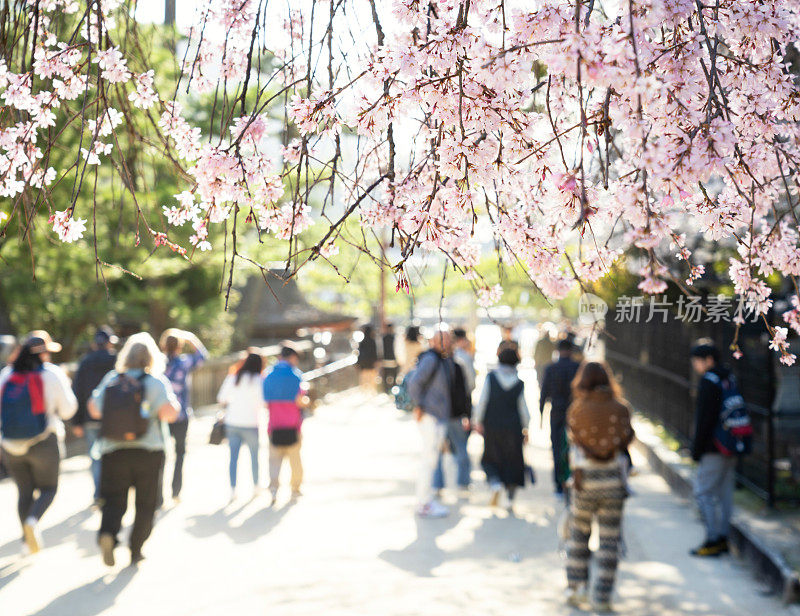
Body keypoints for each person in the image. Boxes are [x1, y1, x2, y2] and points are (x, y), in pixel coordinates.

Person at [89, 332, 179, 567]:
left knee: (113, 500)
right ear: (152, 357)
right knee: (146, 503)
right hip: (148, 452)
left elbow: (94, 409)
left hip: (113, 450)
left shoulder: (112, 379)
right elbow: (169, 414)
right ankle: (136, 549)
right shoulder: (155, 382)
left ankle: (108, 533)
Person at [565, 361, 634, 612]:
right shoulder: (621, 408)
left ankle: (577, 588)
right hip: (613, 481)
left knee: (579, 536)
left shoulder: (576, 409)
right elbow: (627, 438)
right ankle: (602, 596)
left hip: (585, 482)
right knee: (609, 542)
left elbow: (572, 440)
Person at [0, 332, 77, 554]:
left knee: (24, 492)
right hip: (44, 441)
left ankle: (26, 542)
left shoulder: (6, 374)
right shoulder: (51, 374)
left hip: (11, 444)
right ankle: (33, 521)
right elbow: (68, 409)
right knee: (49, 488)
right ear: (44, 353)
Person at [689, 339, 737, 557]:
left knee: (704, 492)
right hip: (731, 443)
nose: (695, 365)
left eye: (697, 361)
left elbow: (704, 420)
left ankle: (712, 539)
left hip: (713, 447)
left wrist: (696, 449)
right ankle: (723, 538)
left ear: (708, 360)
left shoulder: (709, 381)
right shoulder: (728, 378)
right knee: (724, 493)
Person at [406, 326, 457, 518]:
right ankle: (423, 502)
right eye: (443, 339)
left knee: (431, 459)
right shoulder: (430, 359)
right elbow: (415, 383)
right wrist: (419, 405)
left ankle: (425, 500)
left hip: (437, 416)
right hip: (430, 415)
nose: (448, 342)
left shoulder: (443, 360)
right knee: (428, 460)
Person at [473, 345, 530, 509]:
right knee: (513, 462)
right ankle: (511, 499)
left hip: (492, 424)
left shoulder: (491, 378)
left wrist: (478, 421)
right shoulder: (519, 383)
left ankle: (495, 483)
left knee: (491, 457)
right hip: (513, 427)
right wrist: (526, 428)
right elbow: (523, 408)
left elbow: (482, 401)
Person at [71, 326, 118, 504]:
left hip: (89, 419)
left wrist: (76, 421)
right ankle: (111, 493)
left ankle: (99, 493)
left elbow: (77, 392)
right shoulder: (116, 360)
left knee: (95, 457)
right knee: (112, 455)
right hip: (113, 419)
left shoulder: (85, 362)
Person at [160, 328, 208, 502]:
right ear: (179, 347)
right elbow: (203, 357)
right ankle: (175, 492)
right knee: (179, 454)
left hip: (162, 416)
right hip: (181, 415)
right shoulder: (184, 362)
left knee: (160, 456)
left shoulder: (158, 363)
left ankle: (158, 496)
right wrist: (191, 338)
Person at [263, 344, 308, 505]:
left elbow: (265, 401)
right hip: (293, 425)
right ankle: (295, 488)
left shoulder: (268, 376)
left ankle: (273, 490)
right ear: (292, 357)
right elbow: (300, 400)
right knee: (295, 460)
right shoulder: (296, 376)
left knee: (274, 461)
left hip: (274, 425)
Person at [432, 327, 474, 497]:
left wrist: (466, 413)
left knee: (459, 450)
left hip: (454, 414)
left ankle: (461, 483)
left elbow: (466, 390)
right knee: (440, 452)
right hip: (440, 414)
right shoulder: (432, 363)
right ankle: (439, 485)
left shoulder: (458, 365)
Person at [217, 352, 265, 501]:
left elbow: (221, 398)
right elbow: (263, 402)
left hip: (233, 422)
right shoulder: (259, 380)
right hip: (251, 423)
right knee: (254, 457)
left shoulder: (233, 378)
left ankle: (233, 489)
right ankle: (256, 486)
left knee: (233, 458)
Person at [539, 338, 580, 495]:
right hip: (574, 412)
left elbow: (544, 393)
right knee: (574, 447)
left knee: (556, 448)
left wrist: (541, 413)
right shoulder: (577, 367)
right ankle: (572, 479)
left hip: (556, 412)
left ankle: (558, 484)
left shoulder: (551, 368)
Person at [356, 324, 379, 394]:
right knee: (372, 381)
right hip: (371, 365)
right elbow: (375, 353)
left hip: (363, 365)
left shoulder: (362, 342)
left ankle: (365, 394)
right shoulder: (373, 341)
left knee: (364, 381)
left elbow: (359, 354)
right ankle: (371, 394)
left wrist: (358, 364)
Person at [380, 323, 399, 392]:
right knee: (394, 376)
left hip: (385, 360)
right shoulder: (394, 337)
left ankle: (386, 390)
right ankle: (394, 390)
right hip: (393, 360)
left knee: (385, 377)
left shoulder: (383, 338)